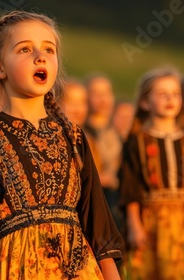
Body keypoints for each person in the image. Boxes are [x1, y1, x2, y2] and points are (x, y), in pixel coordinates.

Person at [0, 11, 124, 279]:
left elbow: (95, 215)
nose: (40, 56)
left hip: (79, 267)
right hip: (16, 265)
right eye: (25, 49)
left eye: (49, 50)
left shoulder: (73, 135)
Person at [120, 68, 184, 280]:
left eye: (175, 94)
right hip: (153, 222)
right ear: (145, 102)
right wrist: (134, 225)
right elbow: (131, 189)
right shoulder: (137, 142)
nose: (169, 99)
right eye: (161, 93)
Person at [84, 74, 122, 224]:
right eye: (96, 93)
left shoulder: (118, 133)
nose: (103, 98)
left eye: (107, 92)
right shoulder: (83, 133)